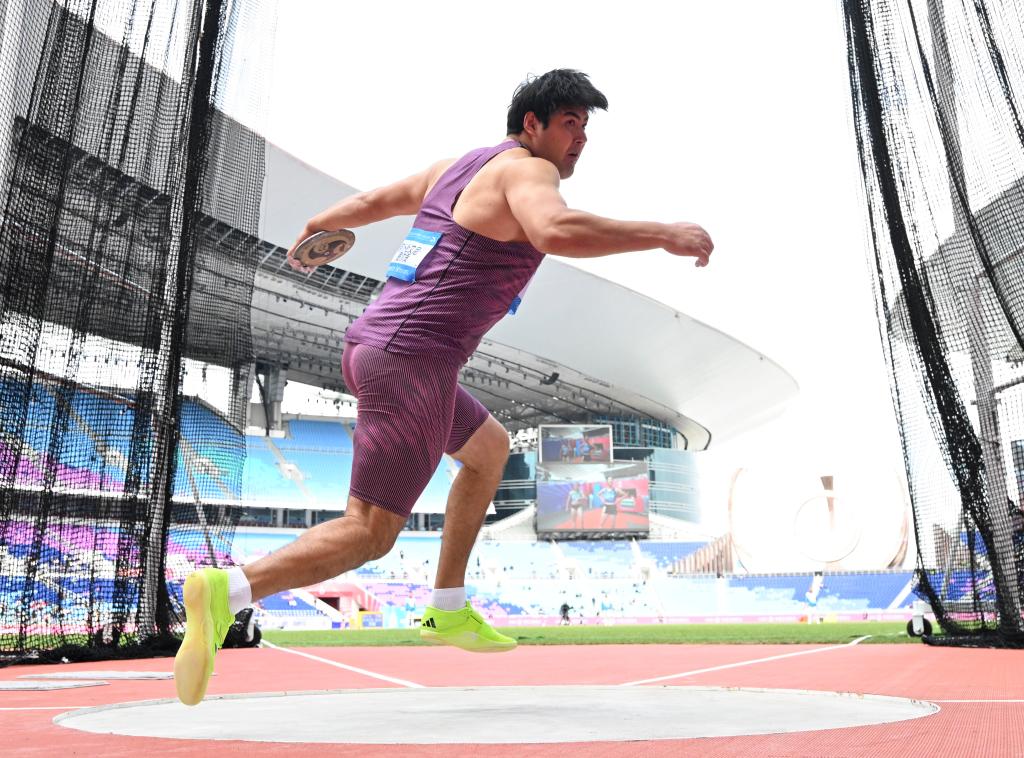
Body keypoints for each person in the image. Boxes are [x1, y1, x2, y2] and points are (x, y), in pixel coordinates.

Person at [173, 68, 713, 706]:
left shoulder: (453, 168)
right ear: (532, 124)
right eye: (571, 123)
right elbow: (555, 231)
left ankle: (448, 606)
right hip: (413, 360)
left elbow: (378, 200)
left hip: (382, 348)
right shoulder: (527, 172)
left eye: (586, 127)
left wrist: (321, 223)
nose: (581, 138)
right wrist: (662, 234)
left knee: (488, 450)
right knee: (371, 531)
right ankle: (227, 591)